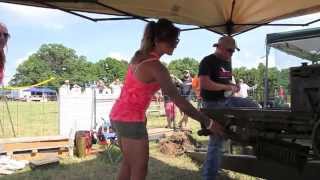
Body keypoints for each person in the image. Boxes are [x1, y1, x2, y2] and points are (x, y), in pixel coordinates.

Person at [109, 19, 223, 180]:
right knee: (139, 168)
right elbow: (179, 100)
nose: (175, 44)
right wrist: (208, 122)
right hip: (130, 119)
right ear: (157, 41)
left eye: (176, 40)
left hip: (118, 115)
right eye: (172, 41)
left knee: (129, 163)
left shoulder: (139, 57)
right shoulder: (156, 67)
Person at [198, 36, 259, 180]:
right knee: (216, 142)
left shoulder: (227, 62)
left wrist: (234, 86)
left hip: (227, 100)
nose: (232, 54)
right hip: (213, 104)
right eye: (230, 51)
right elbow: (205, 84)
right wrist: (227, 86)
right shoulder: (208, 61)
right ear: (219, 47)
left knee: (254, 107)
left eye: (233, 51)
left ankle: (241, 135)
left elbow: (227, 81)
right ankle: (209, 177)